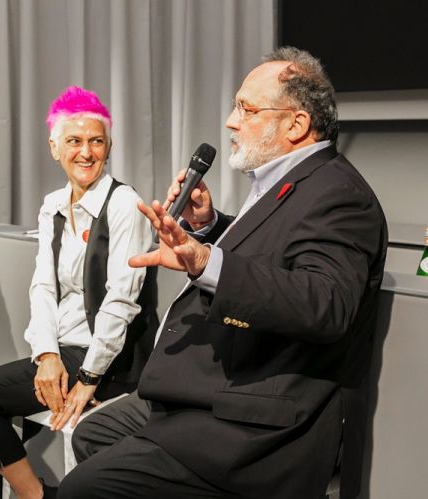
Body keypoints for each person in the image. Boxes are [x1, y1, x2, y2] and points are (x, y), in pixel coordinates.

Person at [58, 47, 388, 499]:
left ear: (296, 124)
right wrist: (211, 226)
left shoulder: (341, 195)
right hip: (208, 392)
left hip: (256, 424)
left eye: (246, 110)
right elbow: (276, 251)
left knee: (83, 489)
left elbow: (324, 303)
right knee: (91, 435)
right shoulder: (293, 182)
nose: (231, 122)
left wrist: (204, 260)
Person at [0, 86, 158, 499]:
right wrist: (45, 355)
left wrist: (88, 377)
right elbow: (43, 287)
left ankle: (39, 496)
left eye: (96, 141)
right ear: (54, 147)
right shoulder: (54, 205)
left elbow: (121, 302)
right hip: (64, 351)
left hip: (109, 358)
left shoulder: (123, 205)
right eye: (74, 141)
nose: (86, 152)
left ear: (109, 146)